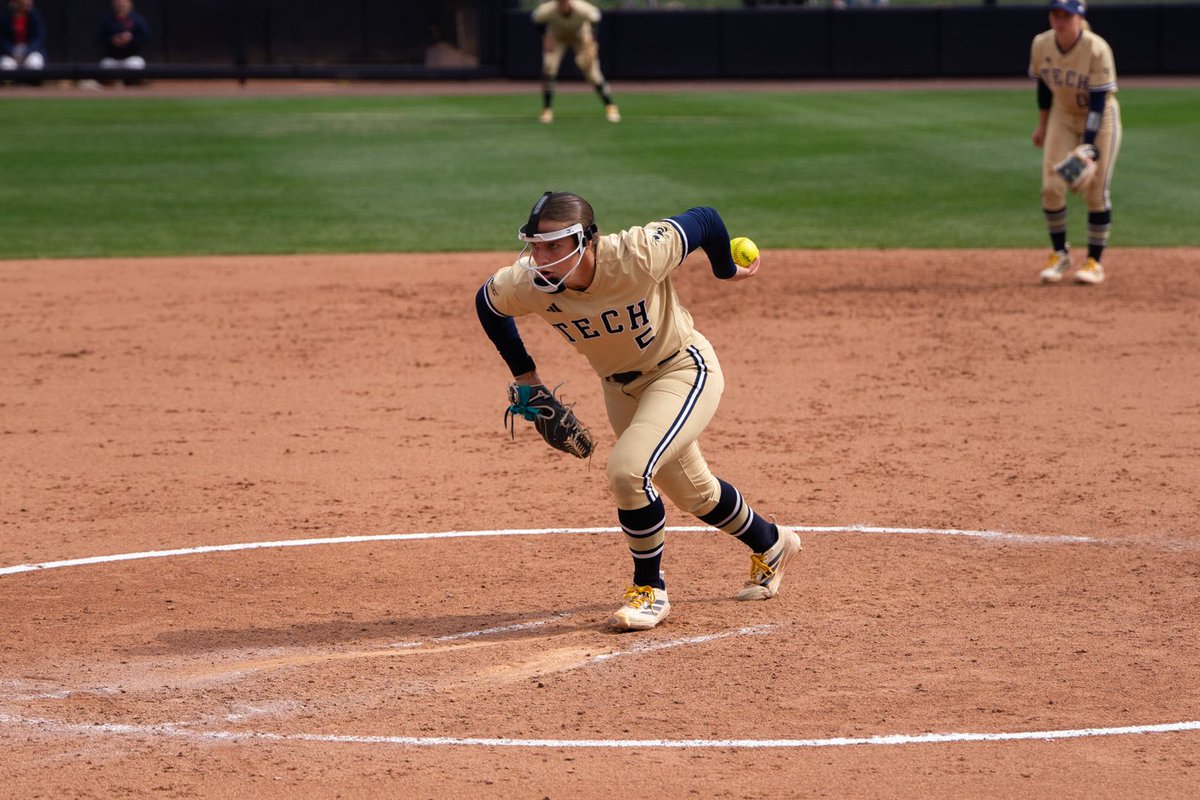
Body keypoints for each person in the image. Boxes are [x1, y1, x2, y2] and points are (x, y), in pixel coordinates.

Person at [475, 191, 803, 631]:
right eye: (535, 245)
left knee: (628, 472)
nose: (541, 257)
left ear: (586, 240)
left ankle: (649, 591)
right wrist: (527, 377)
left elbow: (706, 219)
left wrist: (726, 269)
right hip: (621, 391)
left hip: (681, 370)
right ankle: (772, 543)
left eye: (554, 246)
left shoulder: (638, 254)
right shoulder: (529, 283)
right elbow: (488, 304)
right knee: (695, 494)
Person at [1029, 0, 1121, 285]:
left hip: (1101, 119)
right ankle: (1060, 254)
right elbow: (1044, 88)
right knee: (1051, 188)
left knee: (1096, 191)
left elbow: (1098, 102)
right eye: (1055, 14)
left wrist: (1089, 146)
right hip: (1063, 114)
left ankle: (1094, 262)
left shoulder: (1097, 48)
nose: (1060, 20)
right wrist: (1043, 125)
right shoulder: (1041, 44)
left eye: (1066, 15)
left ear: (1079, 18)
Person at [531, 0, 620, 124]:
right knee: (549, 66)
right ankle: (547, 109)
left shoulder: (581, 8)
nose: (562, 4)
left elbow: (596, 17)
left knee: (593, 74)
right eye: (560, 2)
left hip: (580, 36)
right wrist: (545, 37)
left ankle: (610, 106)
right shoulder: (549, 9)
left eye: (564, 2)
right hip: (557, 37)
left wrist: (592, 40)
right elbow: (536, 18)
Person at [97, 0, 150, 72]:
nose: (121, 6)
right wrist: (112, 39)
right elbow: (99, 38)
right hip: (112, 59)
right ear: (114, 4)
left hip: (131, 59)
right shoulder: (107, 20)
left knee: (137, 64)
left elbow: (145, 37)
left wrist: (131, 38)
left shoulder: (137, 20)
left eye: (123, 4)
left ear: (130, 4)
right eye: (118, 3)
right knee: (104, 64)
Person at [0, 0, 46, 73]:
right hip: (10, 54)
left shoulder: (34, 15)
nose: (27, 5)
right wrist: (12, 51)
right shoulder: (5, 16)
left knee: (35, 62)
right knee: (5, 65)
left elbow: (39, 37)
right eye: (23, 3)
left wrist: (27, 50)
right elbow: (2, 39)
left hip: (29, 52)